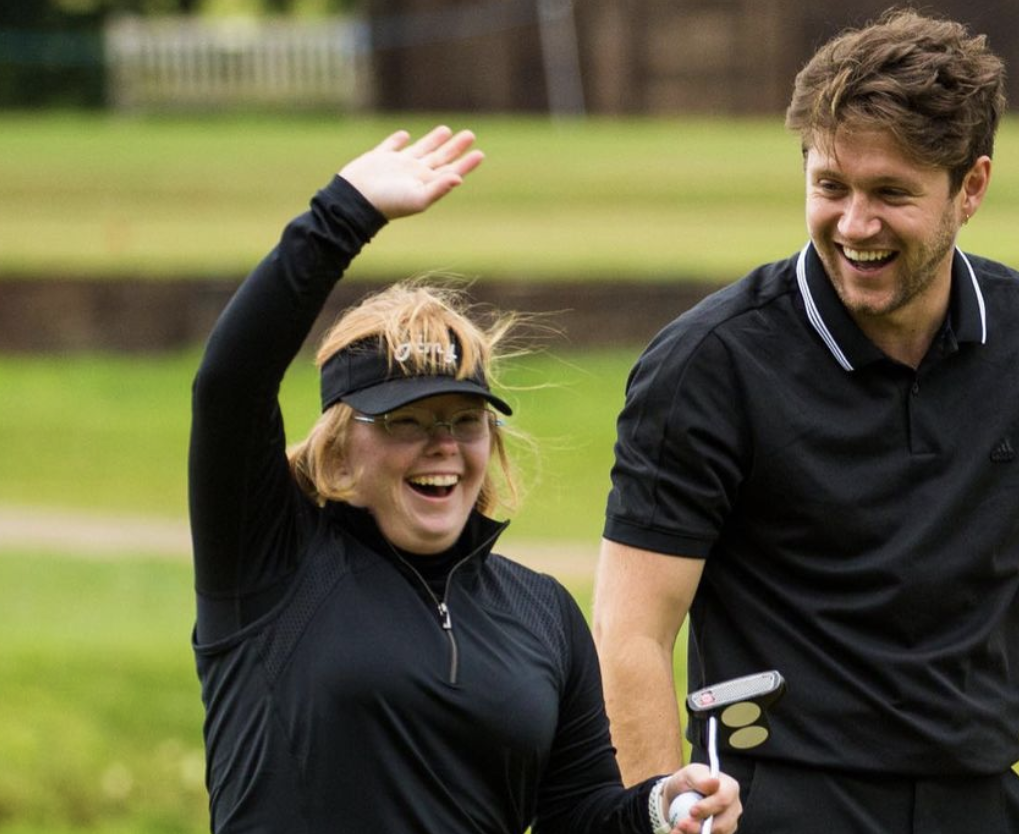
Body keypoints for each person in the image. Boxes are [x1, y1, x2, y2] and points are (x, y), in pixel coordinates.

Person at [593, 10, 1019, 834]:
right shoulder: (707, 364)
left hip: (983, 800)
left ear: (972, 188)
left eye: (891, 193)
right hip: (774, 799)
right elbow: (631, 630)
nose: (854, 225)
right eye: (830, 187)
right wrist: (655, 817)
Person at [188, 125, 741, 834]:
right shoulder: (270, 564)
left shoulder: (540, 613)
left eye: (464, 421)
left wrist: (664, 811)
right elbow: (229, 384)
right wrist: (342, 213)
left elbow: (578, 815)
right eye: (405, 423)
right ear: (338, 449)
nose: (442, 448)